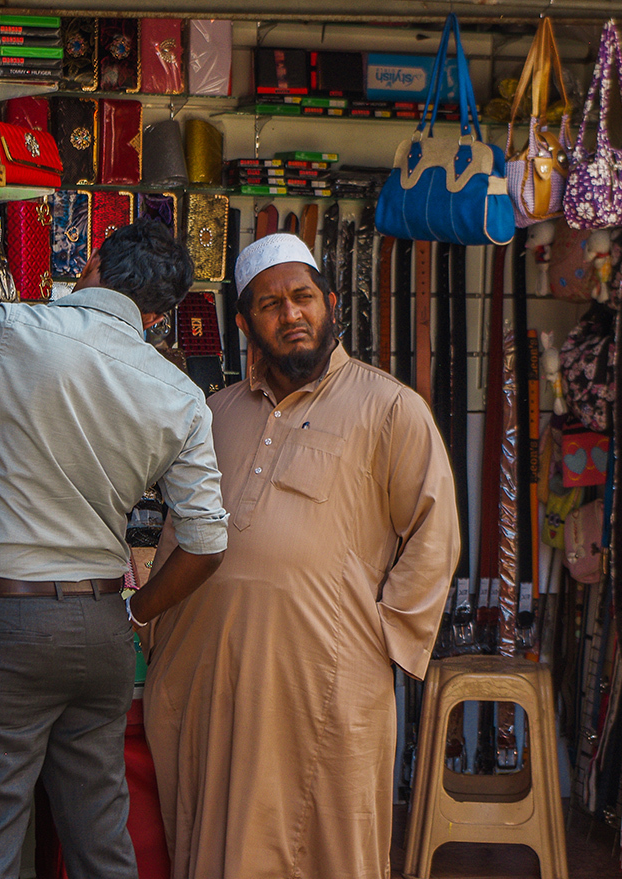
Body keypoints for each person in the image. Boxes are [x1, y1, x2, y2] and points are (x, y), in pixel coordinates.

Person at [0, 217, 229, 879]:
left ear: (90, 264)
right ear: (158, 312)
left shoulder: (15, 329)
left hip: (8, 623)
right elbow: (206, 544)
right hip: (103, 627)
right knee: (99, 834)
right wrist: (136, 614)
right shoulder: (181, 395)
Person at [143, 233, 460, 879]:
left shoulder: (390, 408)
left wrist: (387, 639)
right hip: (210, 677)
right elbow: (182, 527)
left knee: (325, 843)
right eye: (271, 303)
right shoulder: (214, 412)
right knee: (214, 834)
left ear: (331, 304)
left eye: (303, 297)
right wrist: (153, 625)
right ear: (244, 322)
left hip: (324, 681)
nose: (291, 314)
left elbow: (436, 529)